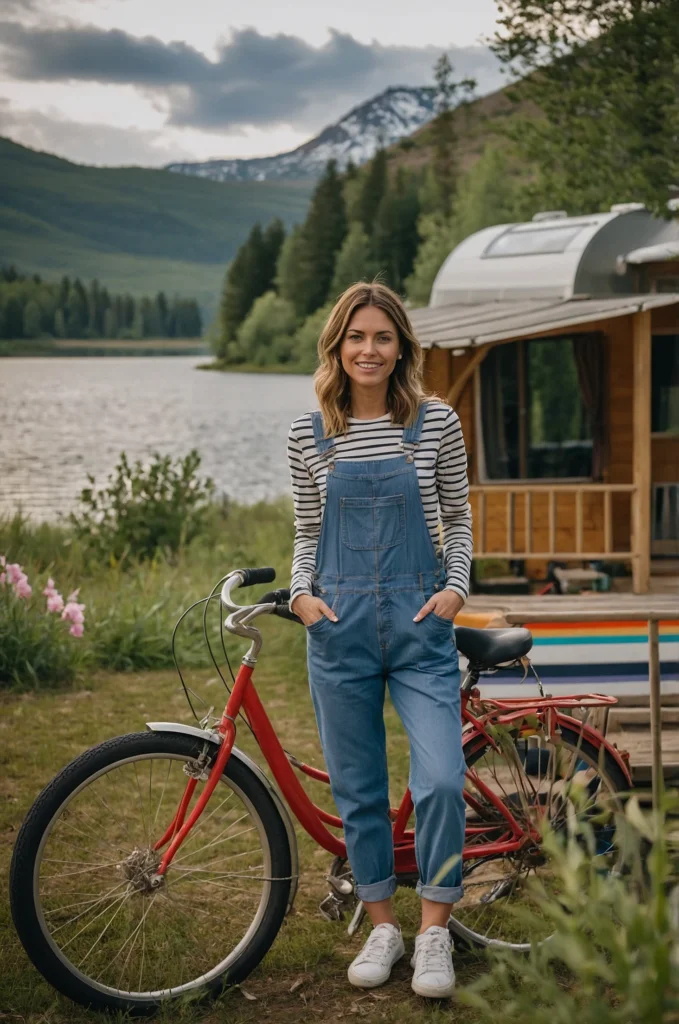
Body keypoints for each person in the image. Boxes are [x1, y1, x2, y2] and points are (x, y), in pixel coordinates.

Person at [287, 282, 472, 999]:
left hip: (421, 626)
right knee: (359, 794)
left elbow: (457, 519)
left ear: (401, 349)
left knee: (441, 783)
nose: (368, 349)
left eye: (382, 337)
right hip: (339, 630)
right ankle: (383, 925)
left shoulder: (436, 423)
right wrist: (303, 597)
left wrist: (453, 591)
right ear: (336, 346)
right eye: (355, 337)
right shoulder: (309, 434)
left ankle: (433, 931)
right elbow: (307, 530)